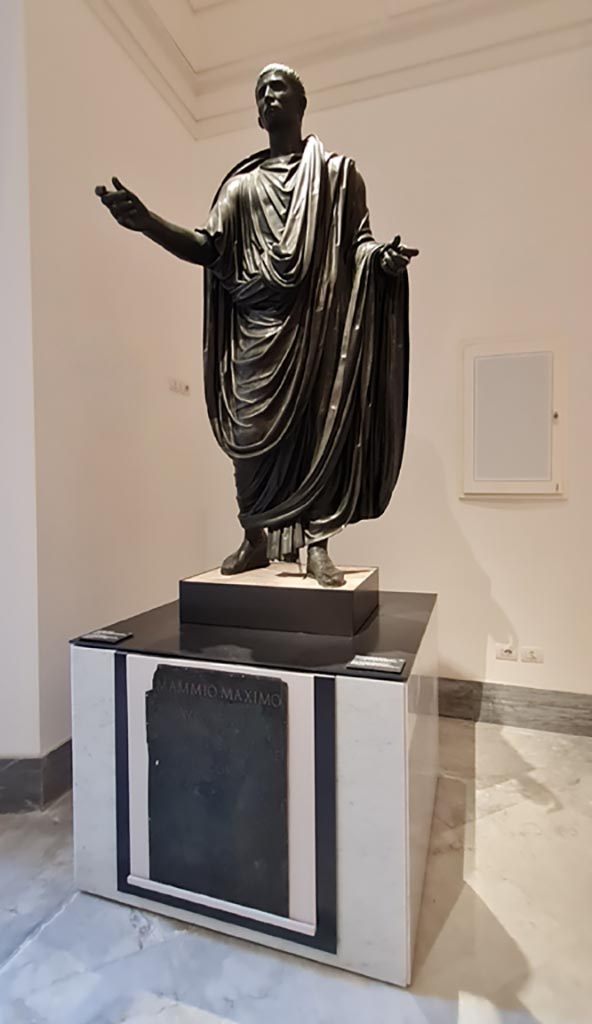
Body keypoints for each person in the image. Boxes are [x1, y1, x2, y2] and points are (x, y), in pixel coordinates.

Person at [96, 63, 418, 587]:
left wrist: (380, 261)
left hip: (317, 327)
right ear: (256, 111)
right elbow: (209, 248)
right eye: (261, 91)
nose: (269, 96)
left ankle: (317, 543)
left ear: (300, 104)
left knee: (318, 429)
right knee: (251, 436)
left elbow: (358, 242)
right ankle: (255, 537)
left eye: (280, 88)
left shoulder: (337, 176)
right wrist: (148, 222)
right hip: (256, 329)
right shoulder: (240, 189)